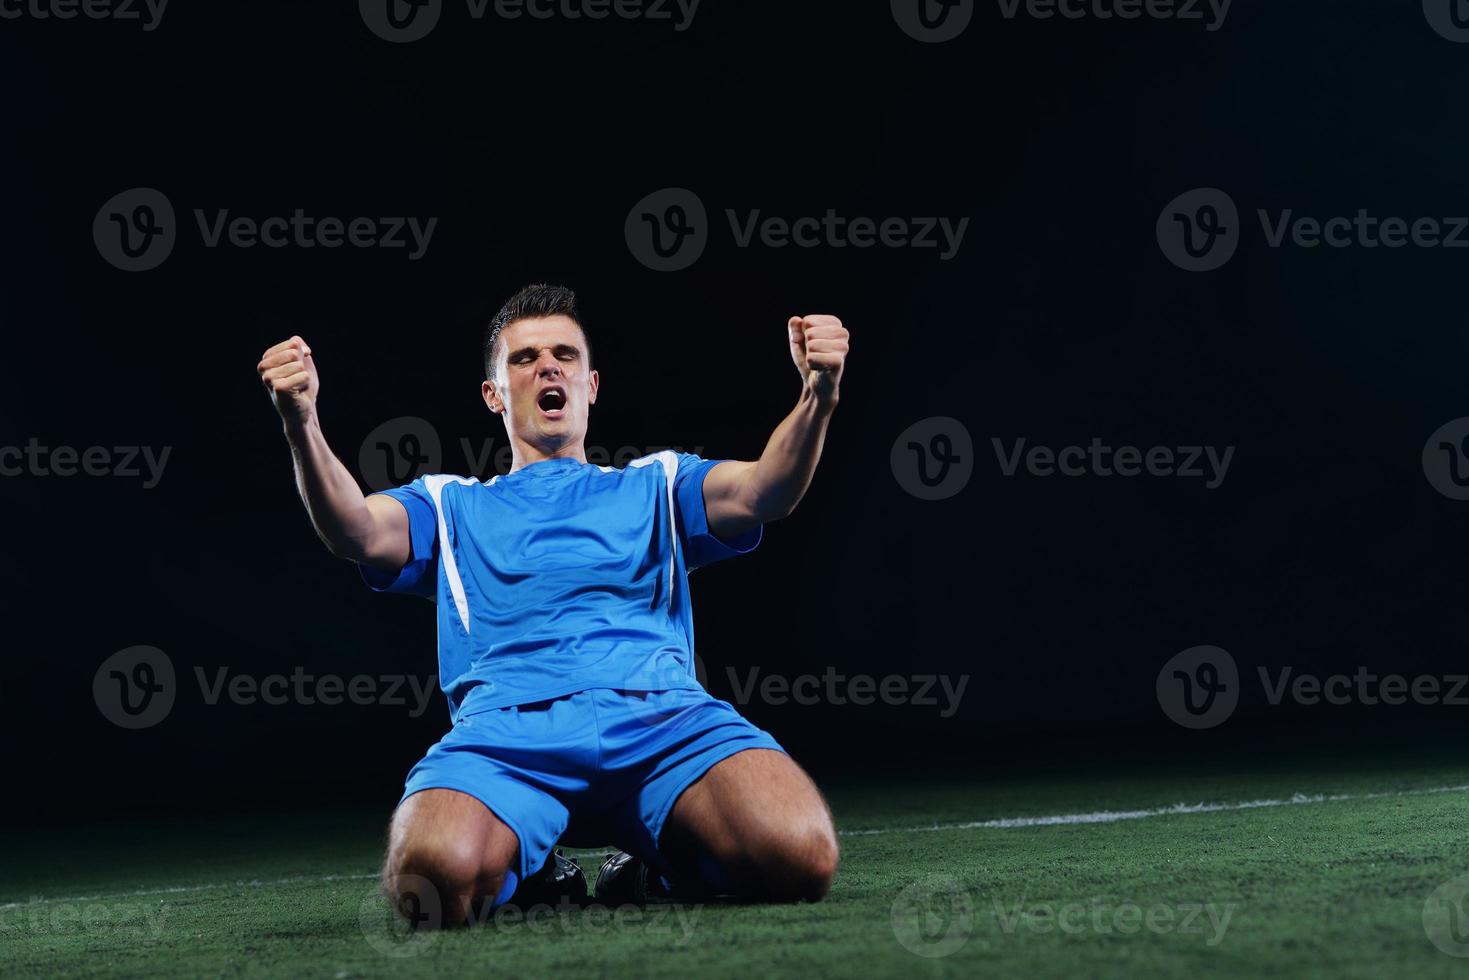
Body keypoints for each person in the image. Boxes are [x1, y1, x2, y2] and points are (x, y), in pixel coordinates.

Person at [256, 284, 851, 926]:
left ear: (590, 385)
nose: (548, 366)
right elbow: (356, 530)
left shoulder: (660, 483)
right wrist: (303, 424)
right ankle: (534, 872)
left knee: (801, 855)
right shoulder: (449, 505)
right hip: (507, 738)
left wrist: (818, 396)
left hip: (663, 725)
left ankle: (657, 860)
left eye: (564, 354)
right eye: (524, 357)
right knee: (430, 882)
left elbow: (768, 489)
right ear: (494, 395)